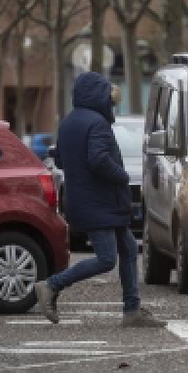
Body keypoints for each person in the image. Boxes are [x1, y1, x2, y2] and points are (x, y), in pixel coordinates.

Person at [34, 72, 165, 328]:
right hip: (101, 202)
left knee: (128, 248)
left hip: (87, 200)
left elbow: (59, 159)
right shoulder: (97, 123)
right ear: (98, 96)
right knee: (106, 259)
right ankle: (50, 285)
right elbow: (98, 159)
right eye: (107, 94)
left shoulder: (69, 122)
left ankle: (132, 310)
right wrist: (121, 175)